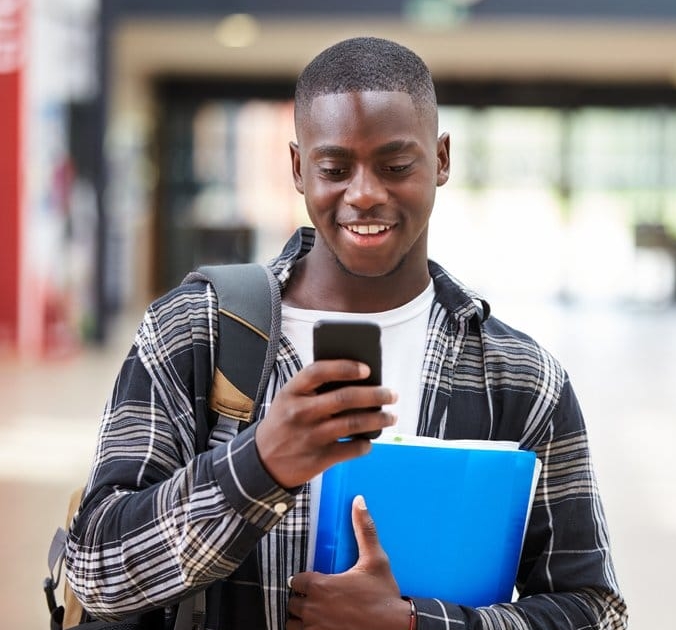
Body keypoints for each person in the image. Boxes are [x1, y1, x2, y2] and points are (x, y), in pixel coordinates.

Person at [65, 36, 628, 630]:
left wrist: (416, 625)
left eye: (395, 166)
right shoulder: (195, 332)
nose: (364, 194)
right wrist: (258, 465)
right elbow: (97, 572)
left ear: (440, 160)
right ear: (298, 168)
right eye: (335, 169)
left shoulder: (520, 378)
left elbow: (593, 611)